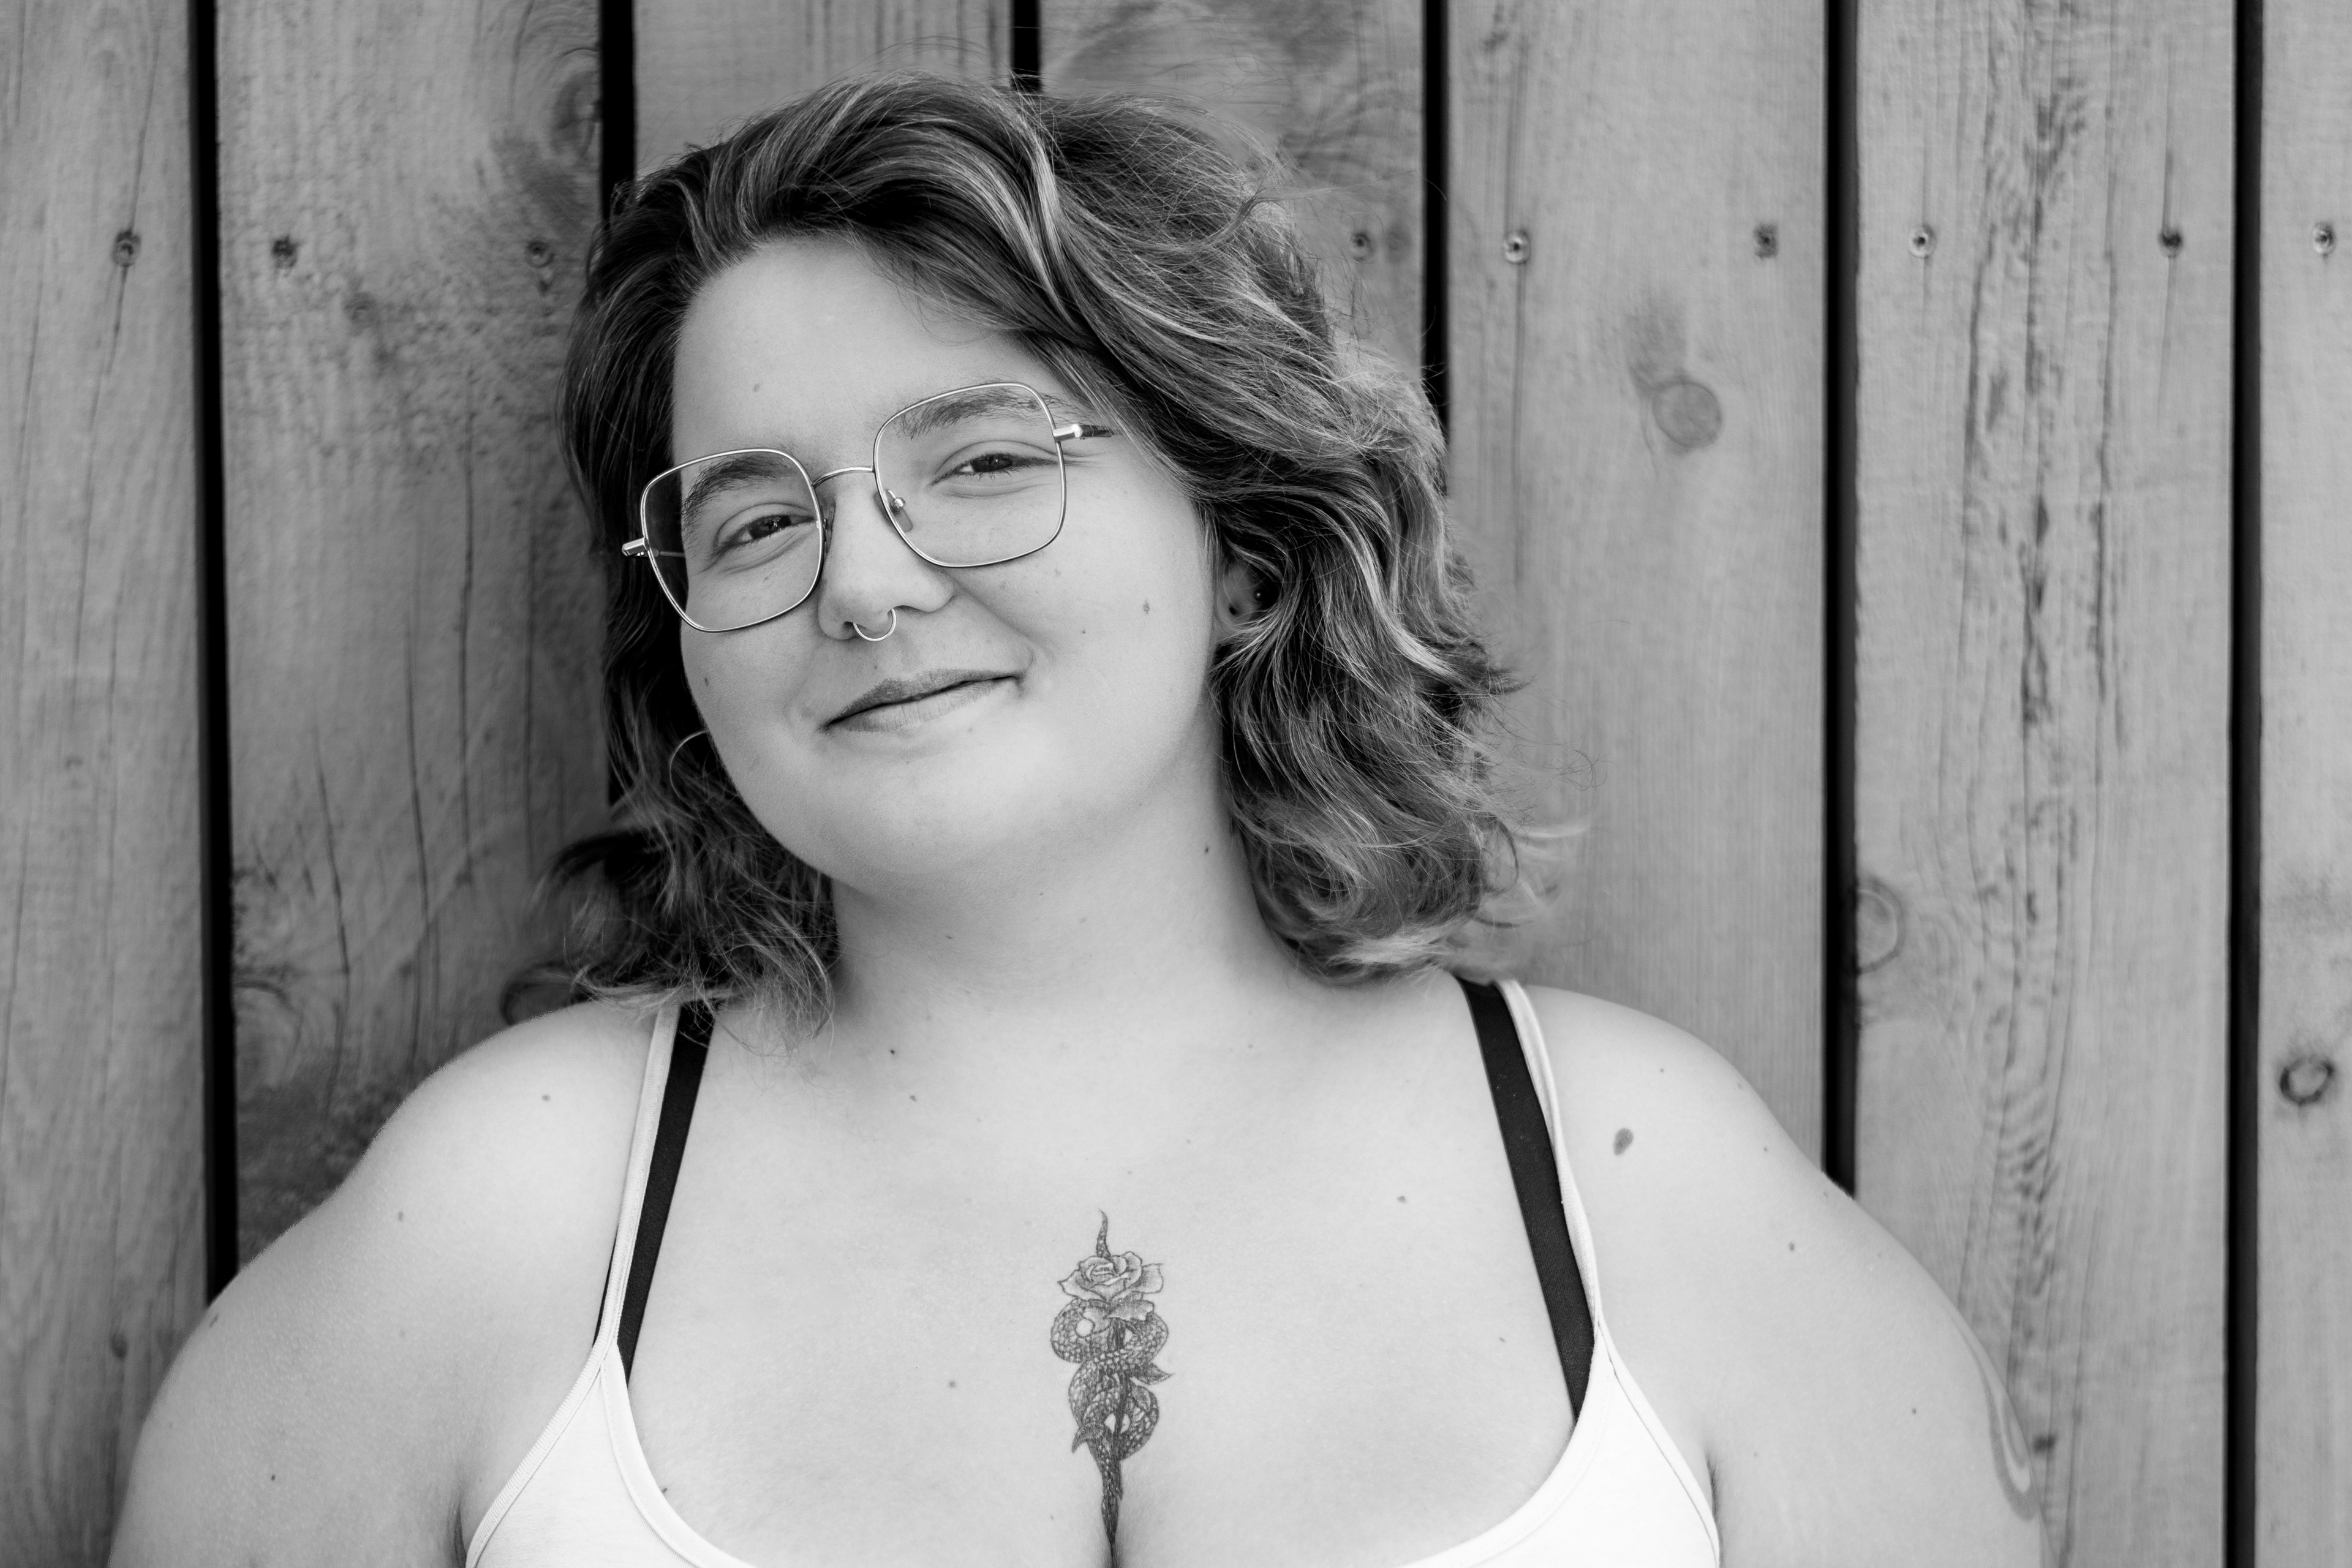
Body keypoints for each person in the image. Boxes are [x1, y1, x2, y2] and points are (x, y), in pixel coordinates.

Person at [114, 74, 2043, 1568]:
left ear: (1243, 542)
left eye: (978, 462)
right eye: (759, 518)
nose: (864, 585)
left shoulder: (1648, 1194)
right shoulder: (496, 1221)